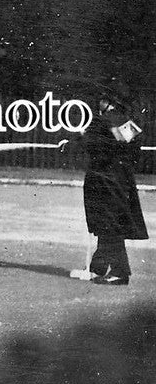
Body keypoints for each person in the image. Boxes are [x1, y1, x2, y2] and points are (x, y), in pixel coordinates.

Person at [78, 82, 147, 285]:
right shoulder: (126, 121)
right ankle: (100, 267)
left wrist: (71, 142)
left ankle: (118, 272)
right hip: (122, 179)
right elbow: (135, 147)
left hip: (103, 180)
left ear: (106, 101)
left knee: (109, 225)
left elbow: (89, 145)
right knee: (111, 223)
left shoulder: (100, 121)